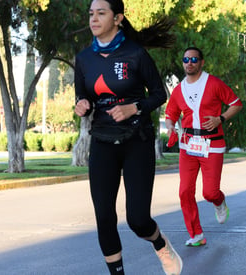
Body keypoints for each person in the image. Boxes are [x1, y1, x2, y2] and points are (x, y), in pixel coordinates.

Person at [74, 0, 182, 274]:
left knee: (137, 219)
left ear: (118, 18)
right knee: (104, 217)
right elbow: (82, 95)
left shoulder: (136, 54)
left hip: (137, 140)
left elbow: (159, 94)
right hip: (102, 141)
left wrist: (135, 106)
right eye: (91, 14)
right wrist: (82, 104)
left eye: (101, 13)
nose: (94, 19)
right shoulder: (84, 59)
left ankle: (160, 243)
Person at [165, 47, 243, 247]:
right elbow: (171, 113)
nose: (189, 62)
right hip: (188, 145)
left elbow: (236, 103)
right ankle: (196, 234)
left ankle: (219, 201)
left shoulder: (214, 83)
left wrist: (221, 118)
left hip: (213, 144)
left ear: (201, 62)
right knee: (185, 191)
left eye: (193, 59)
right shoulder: (179, 89)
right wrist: (170, 126)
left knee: (209, 192)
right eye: (185, 59)